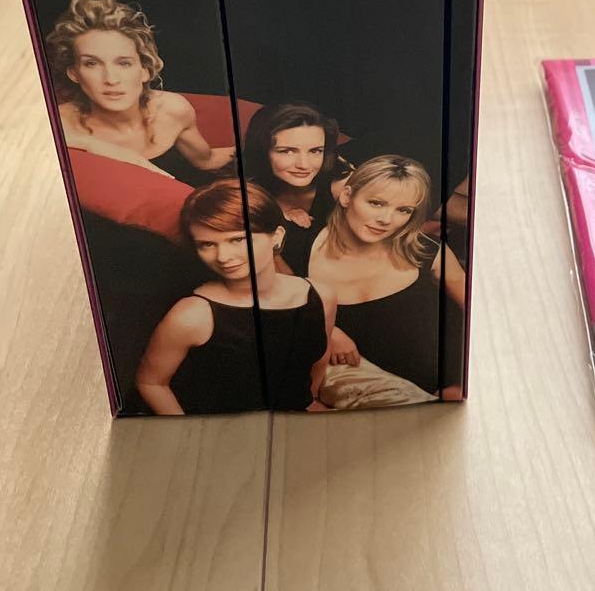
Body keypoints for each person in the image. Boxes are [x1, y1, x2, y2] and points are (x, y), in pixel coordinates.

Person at [136, 180, 335, 414]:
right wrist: (188, 432)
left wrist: (308, 402)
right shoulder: (192, 314)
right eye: (207, 244)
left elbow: (319, 358)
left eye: (237, 239)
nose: (222, 256)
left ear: (276, 236)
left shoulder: (321, 296)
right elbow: (150, 382)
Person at [309, 155, 466, 400]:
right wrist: (329, 330)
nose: (386, 220)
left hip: (449, 388)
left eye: (404, 210)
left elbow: (480, 314)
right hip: (371, 400)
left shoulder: (426, 251)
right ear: (347, 196)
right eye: (376, 203)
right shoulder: (299, 248)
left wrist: (466, 383)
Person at [45, 0, 234, 185]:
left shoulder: (172, 110)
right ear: (73, 73)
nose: (111, 79)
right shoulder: (56, 124)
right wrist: (95, 146)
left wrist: (254, 147)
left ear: (145, 70)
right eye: (91, 63)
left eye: (124, 63)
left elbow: (206, 161)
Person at [242, 102, 352, 274]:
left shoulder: (342, 184)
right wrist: (276, 213)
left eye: (315, 151)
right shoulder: (247, 189)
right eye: (287, 151)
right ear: (262, 151)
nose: (304, 165)